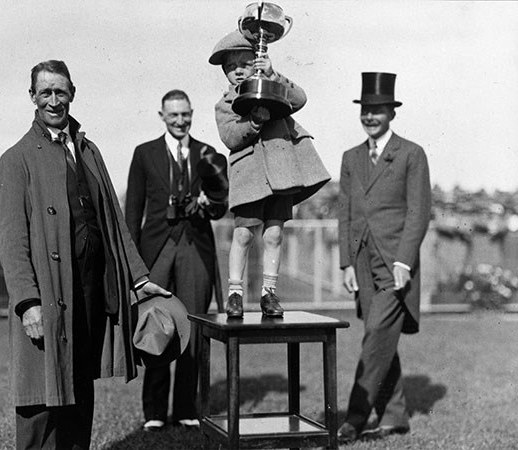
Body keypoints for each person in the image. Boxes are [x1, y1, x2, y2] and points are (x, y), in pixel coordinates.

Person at [0, 60, 170, 450]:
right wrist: (28, 303)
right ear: (32, 97)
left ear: (72, 93)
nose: (54, 101)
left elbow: (114, 222)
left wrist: (139, 278)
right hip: (47, 295)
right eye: (45, 92)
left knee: (79, 387)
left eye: (61, 91)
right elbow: (11, 242)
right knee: (40, 397)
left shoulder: (89, 151)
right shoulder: (16, 159)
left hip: (89, 291)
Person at [337, 72, 432, 443]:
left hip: (395, 264)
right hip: (362, 261)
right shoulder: (351, 157)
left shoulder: (411, 154)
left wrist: (404, 261)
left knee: (377, 332)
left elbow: (418, 212)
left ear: (392, 113)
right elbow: (345, 213)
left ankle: (354, 419)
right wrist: (346, 262)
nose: (370, 116)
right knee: (380, 335)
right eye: (365, 109)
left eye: (377, 110)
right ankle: (394, 416)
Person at [209, 31, 330, 318]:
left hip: (281, 174)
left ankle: (269, 293)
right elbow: (230, 137)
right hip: (249, 177)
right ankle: (235, 294)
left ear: (257, 61)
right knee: (242, 235)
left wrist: (273, 74)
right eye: (231, 66)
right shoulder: (225, 104)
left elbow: (299, 98)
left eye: (245, 63)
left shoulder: (273, 86)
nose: (238, 70)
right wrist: (253, 122)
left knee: (274, 234)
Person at [125, 89, 227, 431]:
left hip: (195, 248)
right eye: (173, 115)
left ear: (192, 114)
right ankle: (154, 412)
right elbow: (133, 211)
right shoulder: (144, 153)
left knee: (193, 328)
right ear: (162, 116)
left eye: (185, 115)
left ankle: (186, 407)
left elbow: (220, 206)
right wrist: (133, 264)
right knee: (154, 324)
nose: (180, 121)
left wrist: (209, 202)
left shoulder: (207, 153)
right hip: (156, 250)